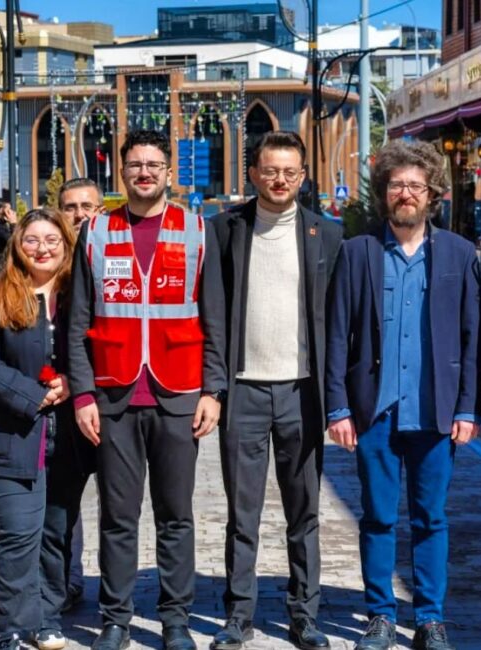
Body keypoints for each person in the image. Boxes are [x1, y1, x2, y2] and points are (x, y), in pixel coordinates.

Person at [68, 130, 227, 650]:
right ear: (121, 170)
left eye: (154, 165)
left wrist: (213, 390)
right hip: (113, 395)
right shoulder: (96, 230)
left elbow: (214, 318)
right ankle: (115, 617)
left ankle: (175, 618)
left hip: (178, 392)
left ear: (167, 171)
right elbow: (78, 322)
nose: (144, 173)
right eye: (135, 164)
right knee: (118, 517)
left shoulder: (197, 230)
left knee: (175, 515)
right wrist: (83, 395)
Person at [325, 140, 480, 650]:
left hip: (435, 411)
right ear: (384, 193)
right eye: (397, 185)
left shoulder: (458, 253)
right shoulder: (358, 252)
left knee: (431, 517)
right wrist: (339, 406)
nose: (405, 193)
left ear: (431, 194)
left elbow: (470, 336)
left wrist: (466, 406)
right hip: (375, 411)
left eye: (415, 185)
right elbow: (336, 333)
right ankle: (381, 616)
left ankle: (431, 619)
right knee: (378, 516)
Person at [208, 131, 342, 650]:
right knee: (242, 514)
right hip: (243, 391)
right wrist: (214, 386)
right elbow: (213, 314)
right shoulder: (225, 230)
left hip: (302, 392)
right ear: (253, 173)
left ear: (303, 177)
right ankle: (238, 616)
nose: (279, 179)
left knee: (303, 511)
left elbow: (337, 319)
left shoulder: (326, 236)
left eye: (289, 171)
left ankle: (303, 614)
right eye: (270, 170)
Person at [0, 208, 94, 650]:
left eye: (52, 240)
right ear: (18, 244)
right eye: (33, 239)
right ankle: (11, 627)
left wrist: (74, 382)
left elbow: (99, 350)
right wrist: (31, 394)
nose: (43, 248)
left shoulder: (81, 295)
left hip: (69, 434)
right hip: (12, 432)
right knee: (20, 532)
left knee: (57, 532)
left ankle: (47, 617)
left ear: (66, 245)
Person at [56, 176, 105, 611]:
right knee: (65, 496)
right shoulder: (47, 260)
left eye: (87, 206)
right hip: (61, 398)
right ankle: (68, 580)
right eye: (70, 207)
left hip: (108, 396)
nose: (79, 215)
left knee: (116, 499)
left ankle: (116, 584)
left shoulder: (109, 255)